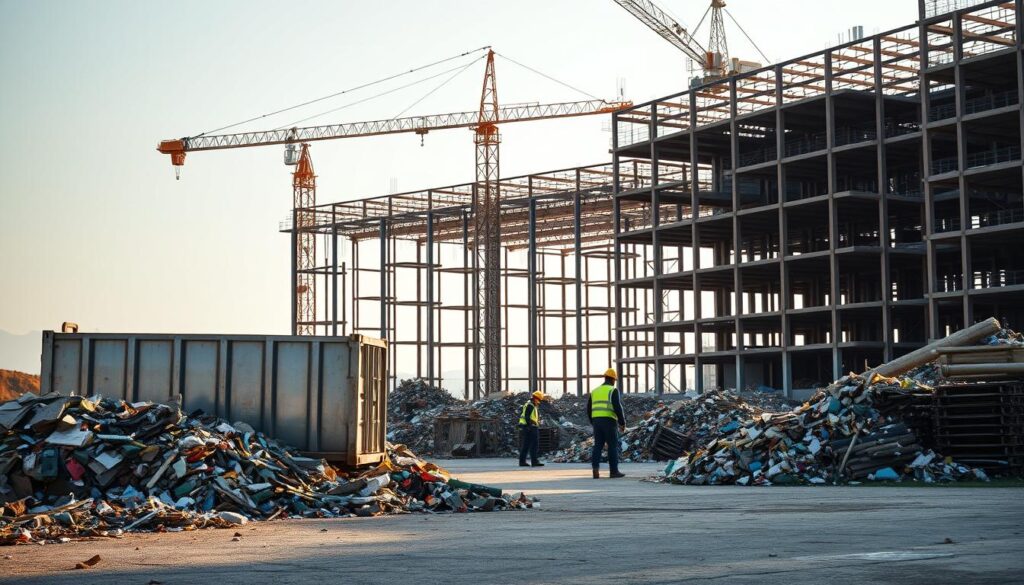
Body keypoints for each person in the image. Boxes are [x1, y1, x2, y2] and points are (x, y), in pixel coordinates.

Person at [588, 368, 626, 479]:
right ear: (613, 379)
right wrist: (622, 422)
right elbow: (617, 407)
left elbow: (588, 408)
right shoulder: (612, 390)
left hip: (596, 421)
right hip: (609, 421)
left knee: (598, 445)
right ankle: (613, 471)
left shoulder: (594, 391)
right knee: (612, 446)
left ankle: (595, 469)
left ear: (605, 377)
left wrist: (593, 421)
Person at [518, 391, 546, 467]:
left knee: (526, 445)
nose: (539, 402)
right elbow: (527, 417)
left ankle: (522, 461)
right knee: (534, 445)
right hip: (530, 427)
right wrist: (530, 426)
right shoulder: (530, 405)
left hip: (527, 427)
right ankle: (534, 461)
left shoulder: (531, 404)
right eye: (539, 400)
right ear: (536, 398)